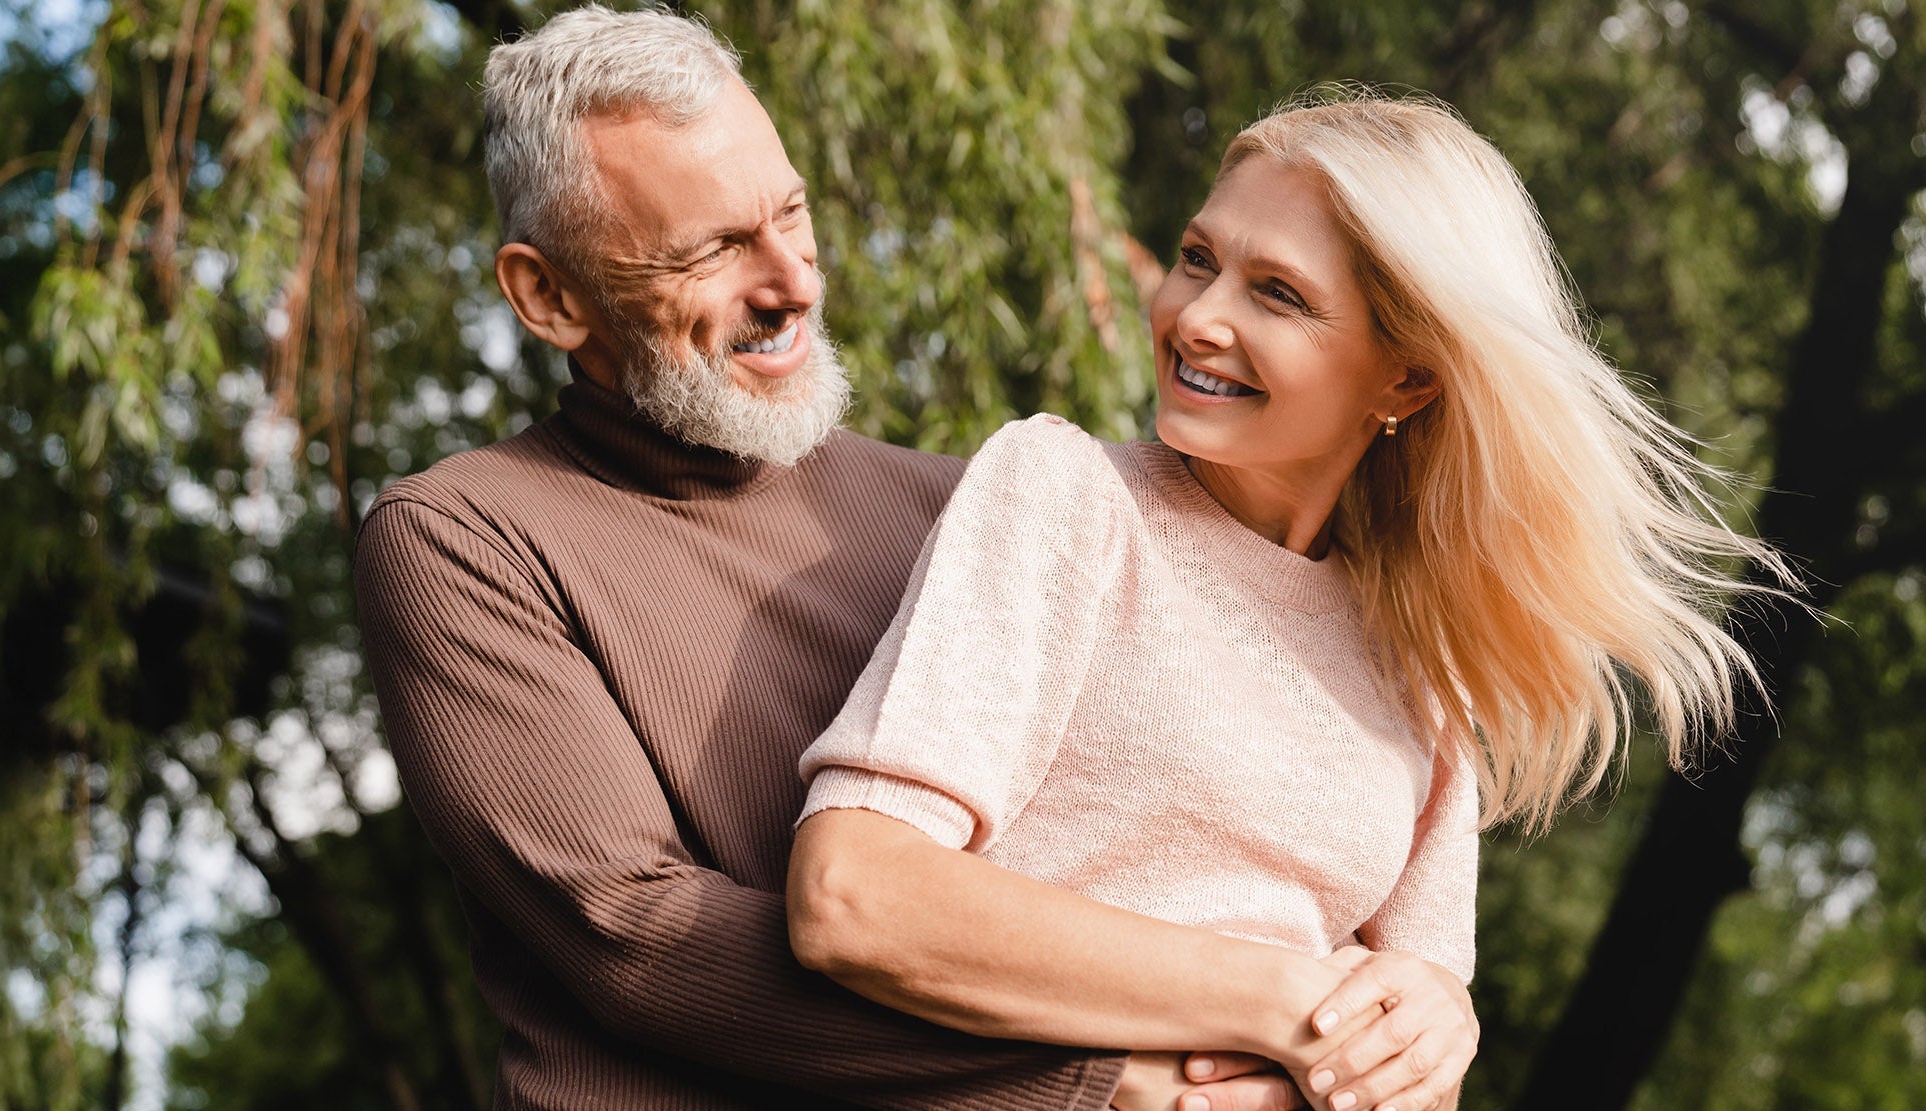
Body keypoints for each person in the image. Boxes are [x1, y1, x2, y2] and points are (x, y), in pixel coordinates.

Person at [354, 8, 1313, 1108]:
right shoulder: (465, 538)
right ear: (549, 296)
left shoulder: (969, 502)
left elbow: (1177, 839)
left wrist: (1402, 993)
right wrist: (1096, 1080)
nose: (793, 282)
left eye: (791, 214)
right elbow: (634, 933)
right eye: (713, 248)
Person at [785, 89, 1791, 1111]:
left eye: (1277, 294)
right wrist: (1278, 1002)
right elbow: (855, 891)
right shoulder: (1067, 497)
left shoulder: (1416, 657)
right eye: (1196, 259)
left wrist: (1436, 1019)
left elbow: (1406, 1073)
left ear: (1402, 382)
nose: (1196, 318)